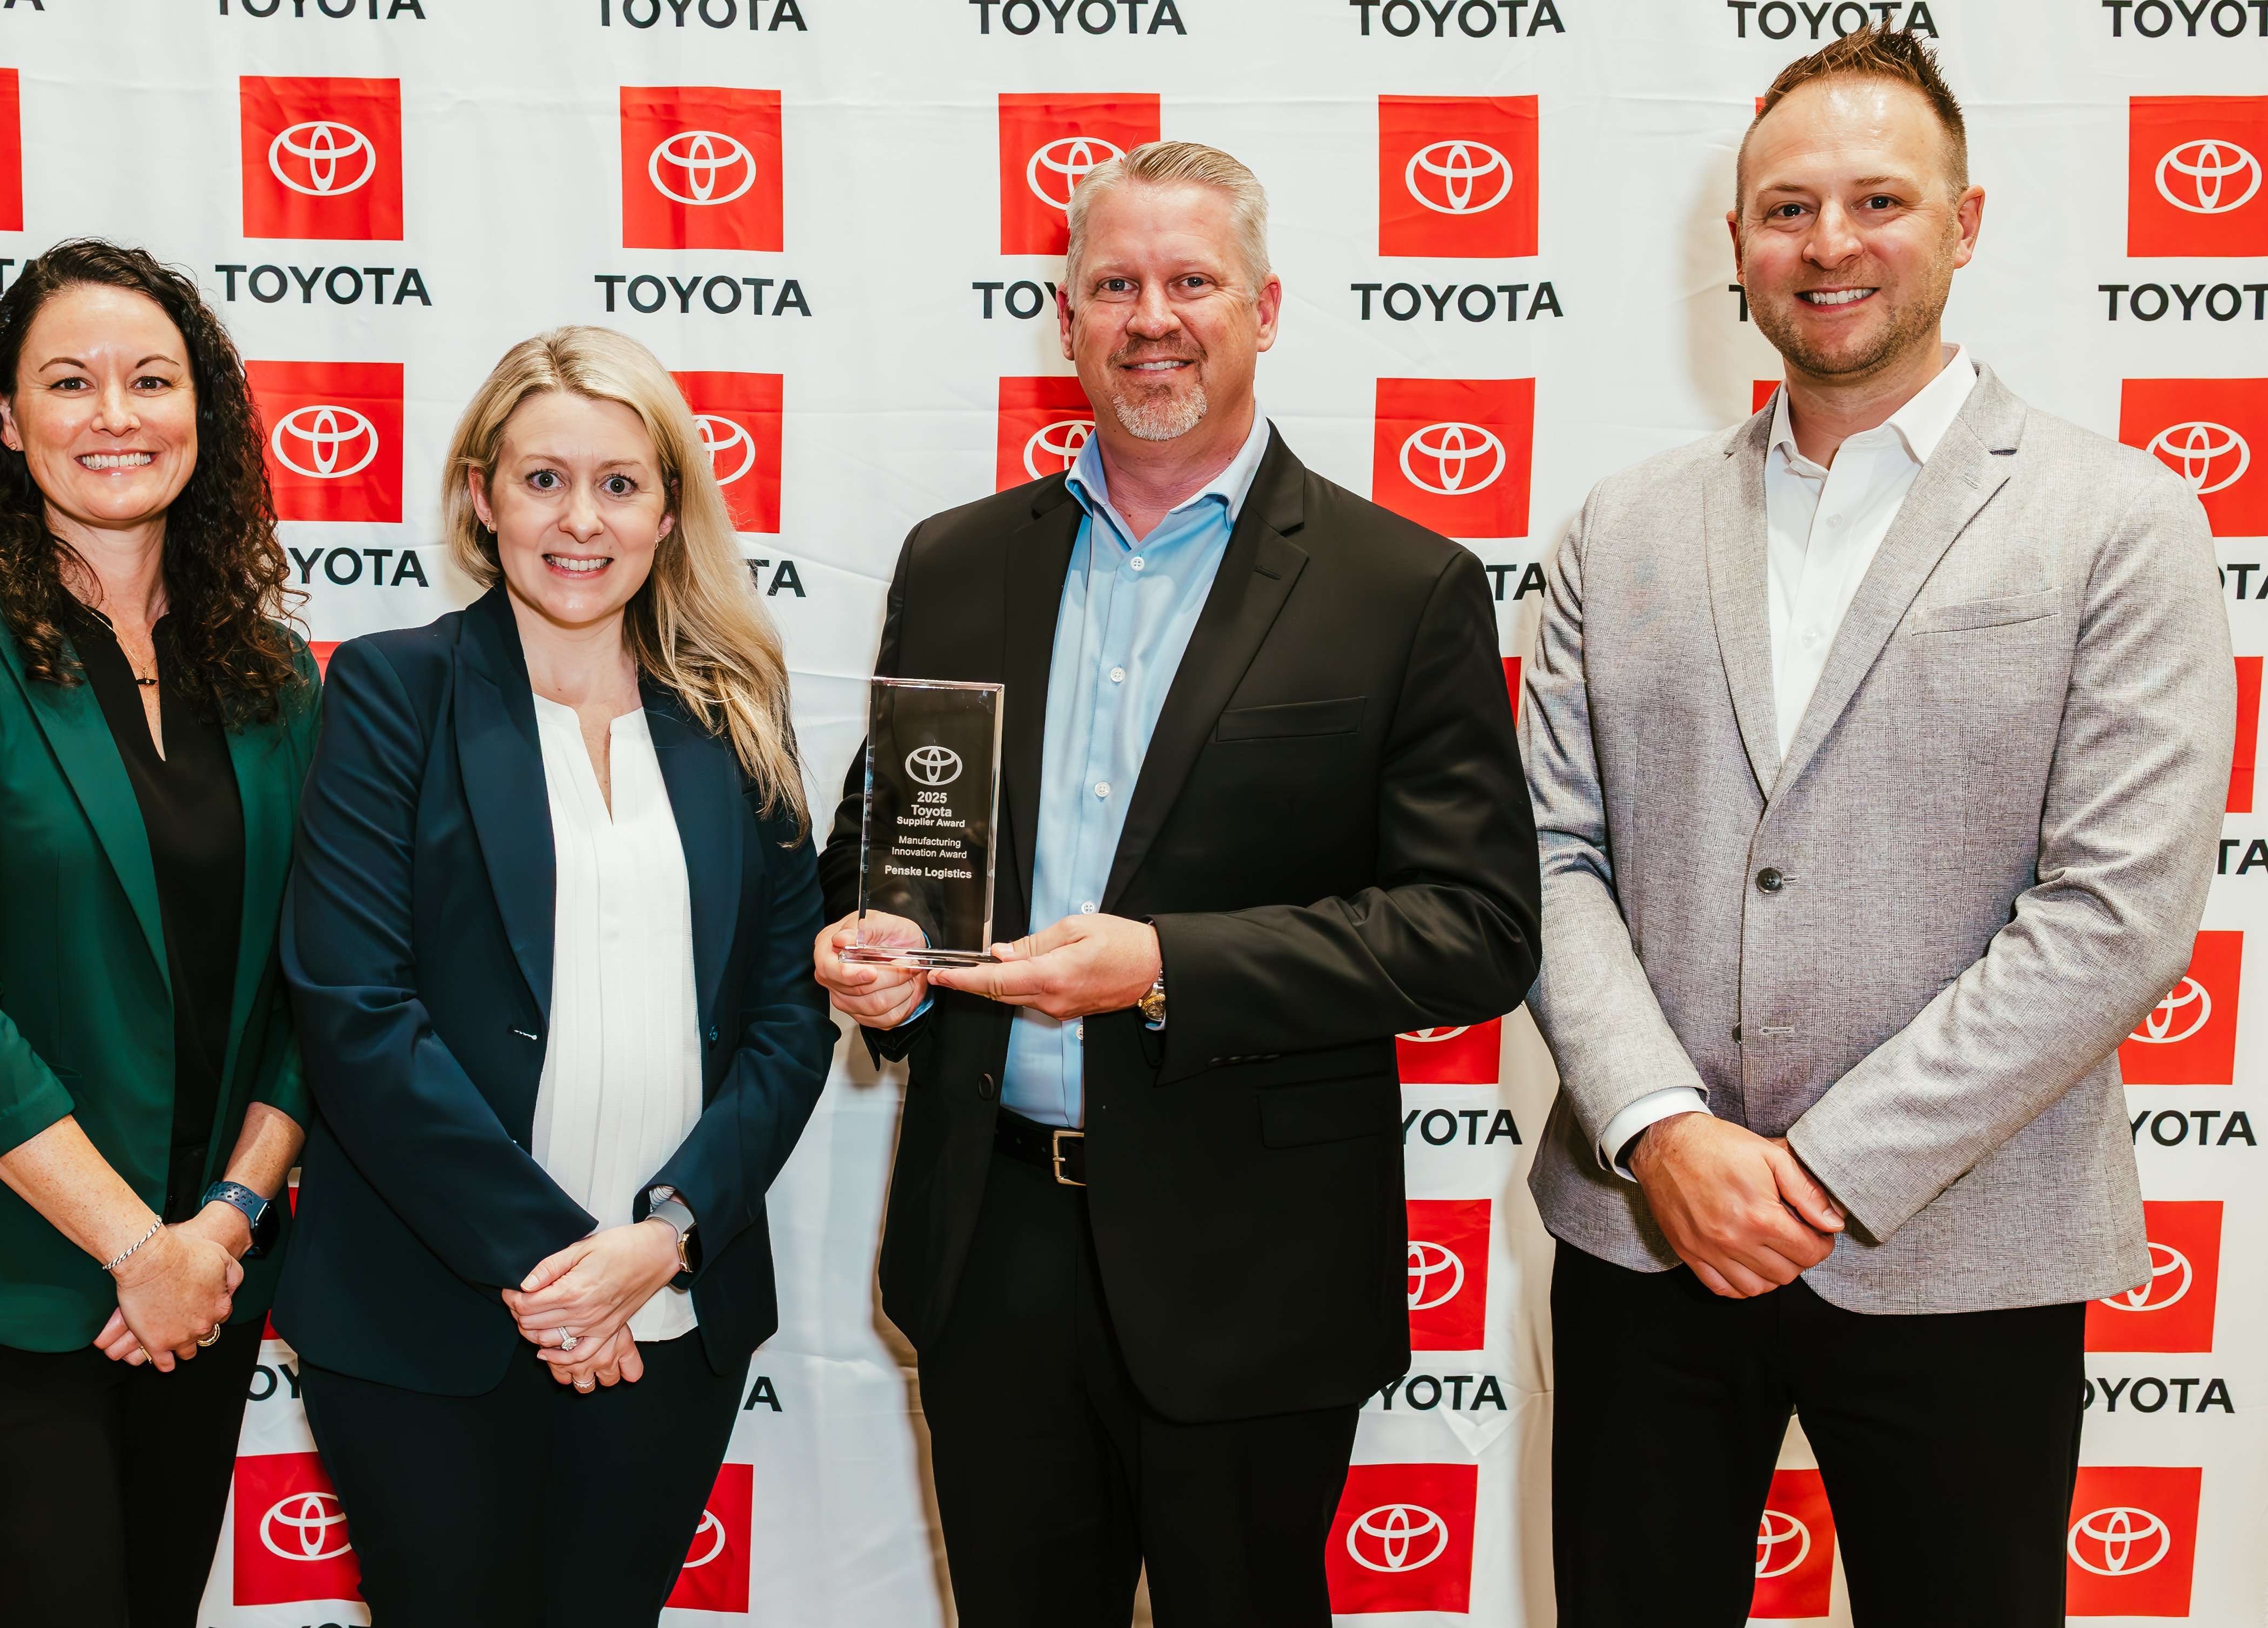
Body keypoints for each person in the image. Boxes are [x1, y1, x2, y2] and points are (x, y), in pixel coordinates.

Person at [1522, 27, 2234, 1627]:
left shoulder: (2117, 521)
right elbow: (1547, 856)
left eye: (1876, 200)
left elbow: (2114, 913)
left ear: (1964, 223)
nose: (1827, 243)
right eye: (1785, 207)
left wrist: (1821, 1170)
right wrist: (1661, 1130)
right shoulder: (1616, 525)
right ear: (1735, 246)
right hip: (1647, 1239)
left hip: (1961, 1243)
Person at [813, 141, 1539, 1626]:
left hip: (1252, 1265)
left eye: (1191, 281)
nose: (1153, 316)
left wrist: (1166, 968)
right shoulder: (954, 562)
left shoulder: (1399, 585)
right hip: (990, 1242)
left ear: (1264, 309)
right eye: (1115, 284)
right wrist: (866, 952)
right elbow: (882, 835)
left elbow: (1475, 929)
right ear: (1064, 315)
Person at [276, 325, 833, 1625]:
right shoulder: (390, 691)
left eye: (621, 483)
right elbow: (355, 1011)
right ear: (481, 493)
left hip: (674, 1311)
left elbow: (788, 1012)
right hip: (429, 1321)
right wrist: (565, 1269)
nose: (580, 520)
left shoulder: (735, 707)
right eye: (542, 480)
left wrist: (663, 1237)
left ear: (669, 508)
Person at [0, 239, 318, 1626]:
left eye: (152, 378)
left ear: (204, 412)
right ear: (3, 417)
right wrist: (138, 1249)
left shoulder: (276, 672)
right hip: (13, 1280)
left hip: (207, 1275)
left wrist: (218, 1227)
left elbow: (319, 981)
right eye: (70, 380)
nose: (115, 412)